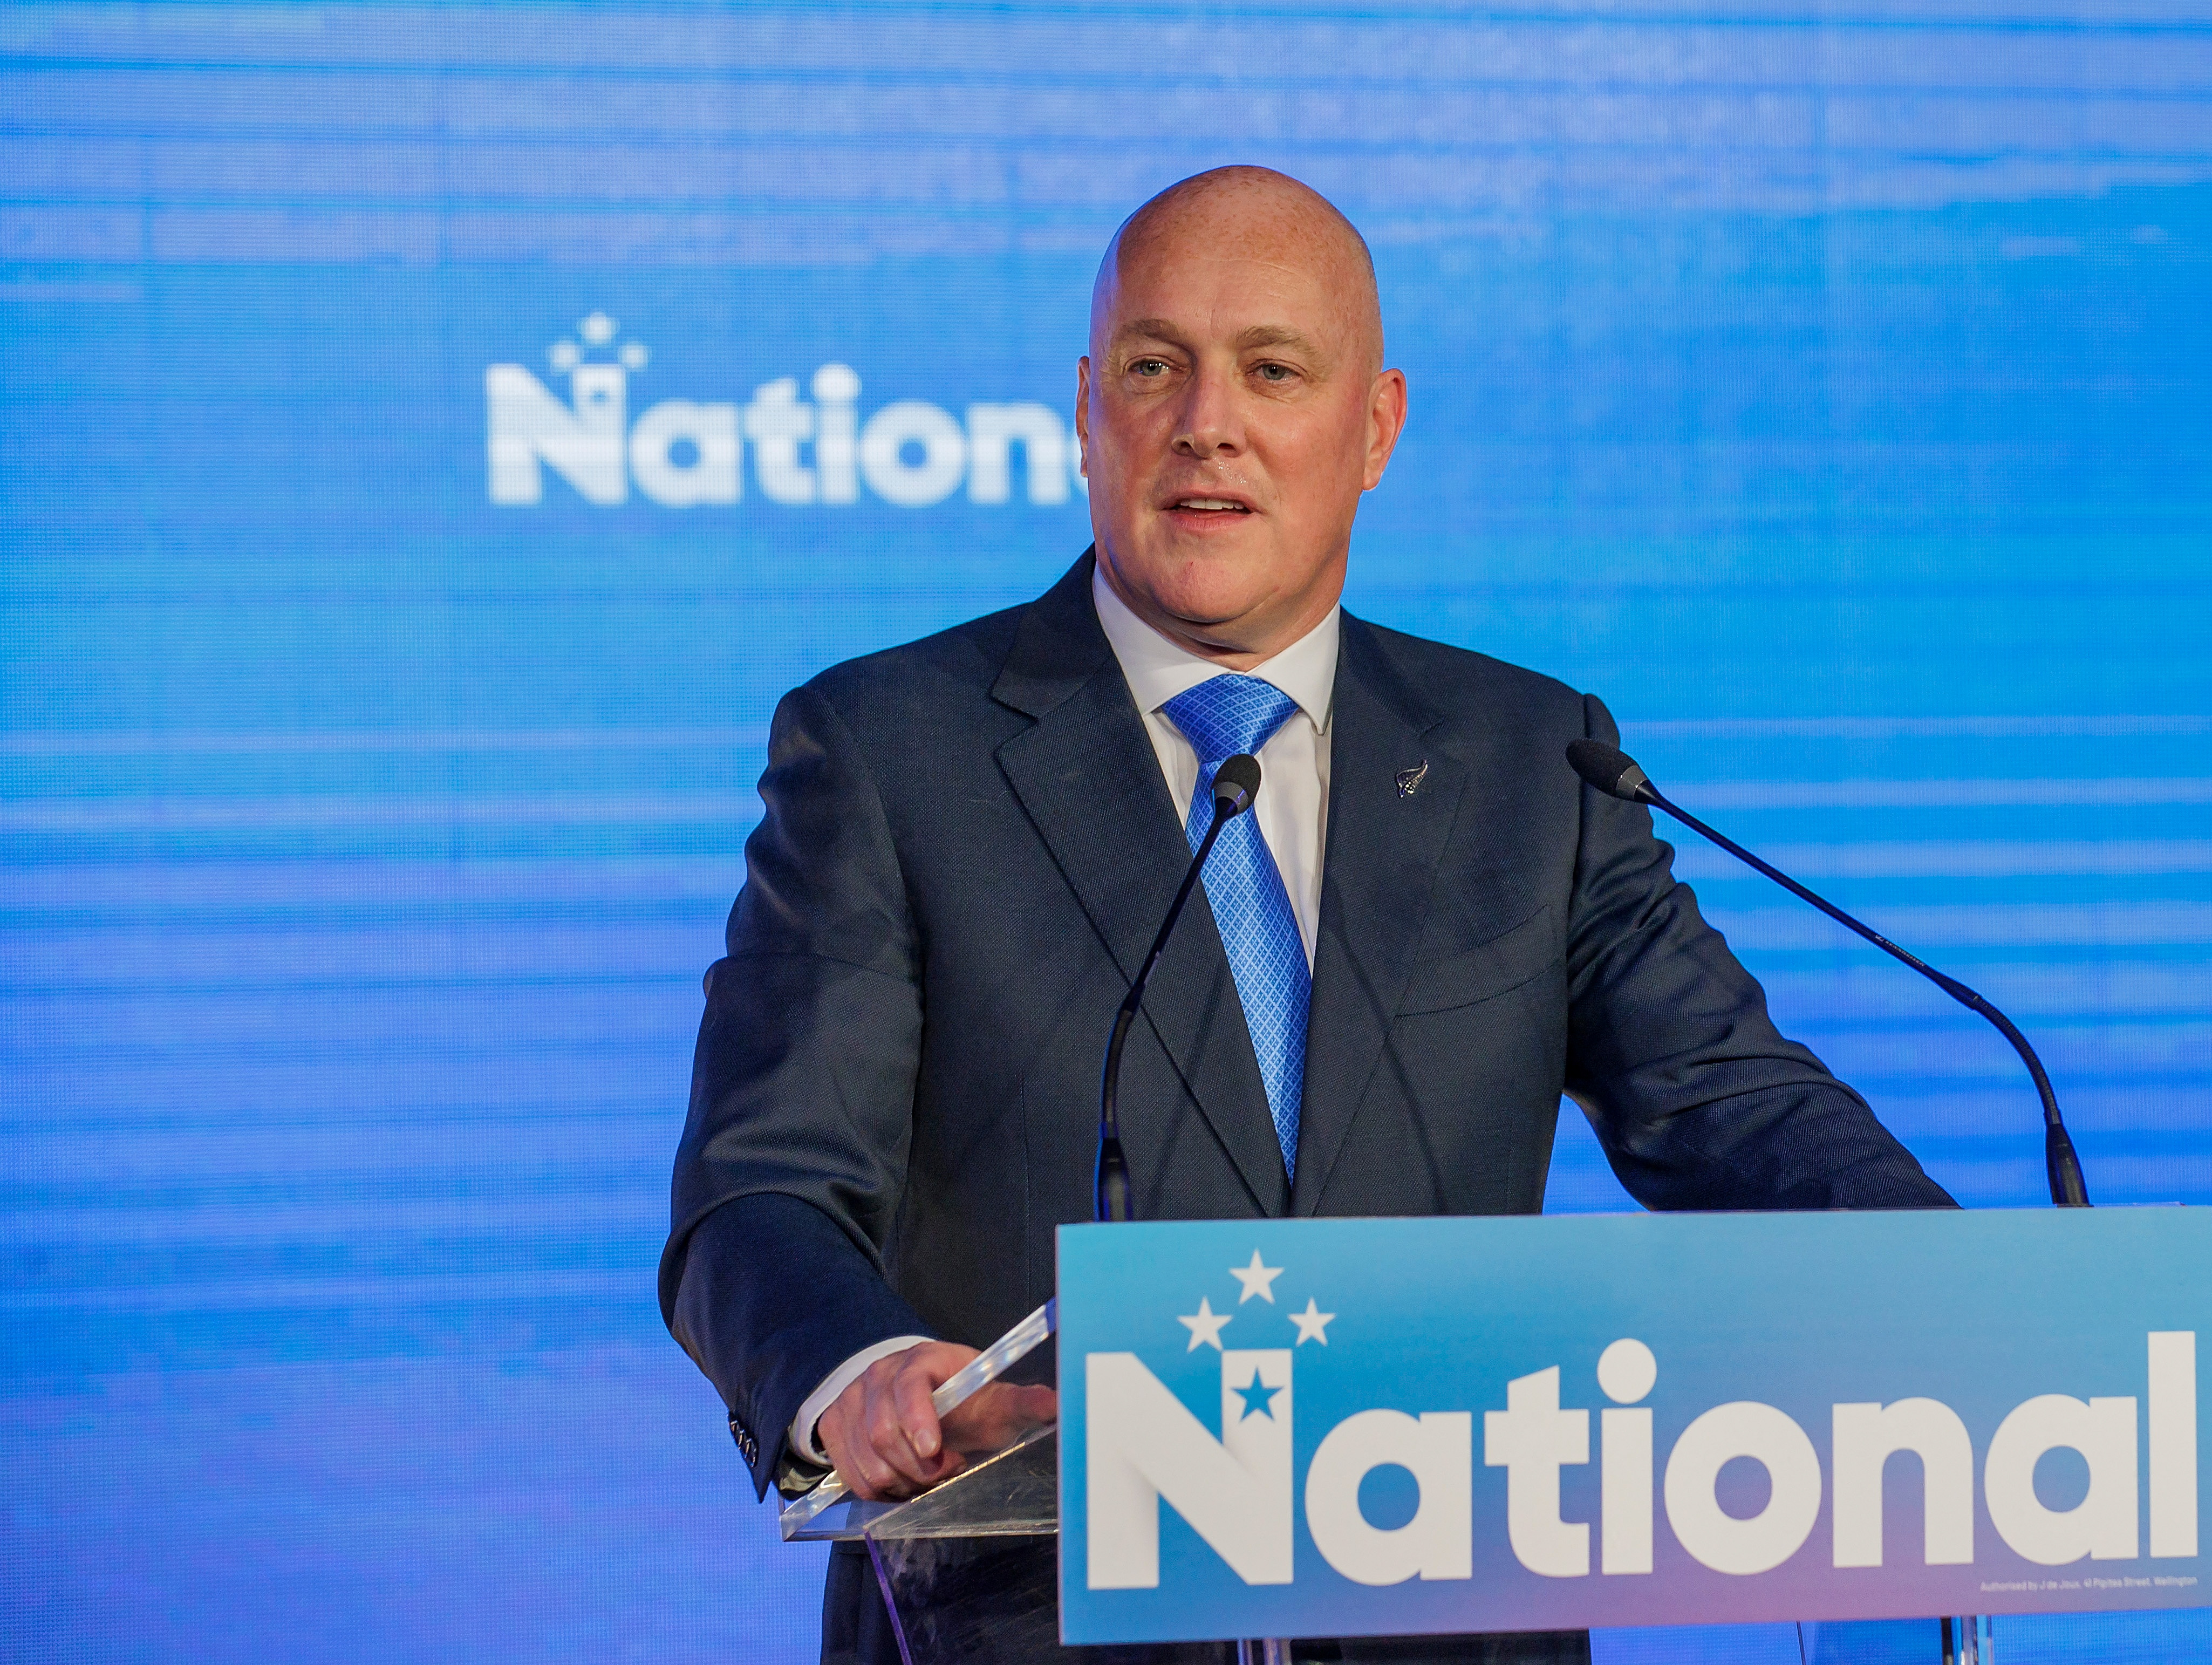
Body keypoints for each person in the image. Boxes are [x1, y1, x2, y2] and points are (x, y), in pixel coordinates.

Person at [661, 165, 1954, 1665]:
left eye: (1273, 369)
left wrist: (1971, 1306)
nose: (1207, 420)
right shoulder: (893, 749)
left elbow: (1737, 1107)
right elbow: (757, 1197)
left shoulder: (1533, 762)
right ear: (1090, 412)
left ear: (1377, 430)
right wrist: (862, 1370)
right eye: (1156, 367)